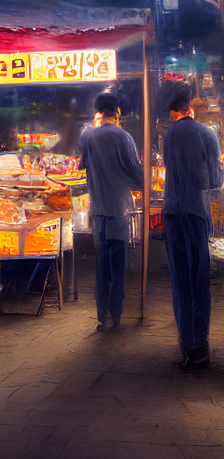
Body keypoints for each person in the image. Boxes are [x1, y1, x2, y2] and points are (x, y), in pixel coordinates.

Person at [161, 83, 224, 371]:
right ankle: (201, 346)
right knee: (200, 280)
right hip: (198, 214)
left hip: (173, 213)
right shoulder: (206, 133)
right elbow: (216, 179)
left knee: (180, 281)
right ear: (191, 108)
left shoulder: (169, 135)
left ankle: (186, 345)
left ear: (173, 112)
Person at [78, 92, 143, 333]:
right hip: (118, 211)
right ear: (116, 112)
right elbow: (136, 173)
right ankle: (116, 314)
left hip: (98, 212)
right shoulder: (122, 137)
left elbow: (80, 165)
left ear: (98, 112)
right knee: (117, 264)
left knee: (102, 265)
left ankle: (101, 316)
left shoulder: (87, 136)